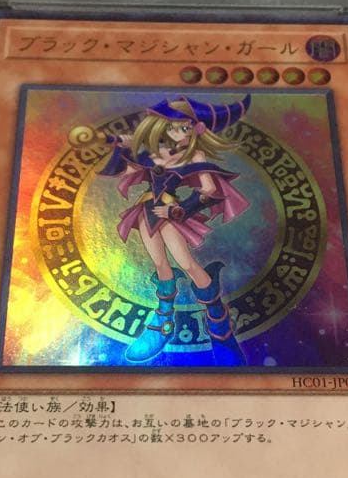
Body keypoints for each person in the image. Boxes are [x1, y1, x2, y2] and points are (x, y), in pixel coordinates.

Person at [97, 94, 251, 365]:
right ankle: (163, 321)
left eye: (184, 127)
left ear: (195, 129)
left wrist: (178, 211)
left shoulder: (195, 155)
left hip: (169, 213)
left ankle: (219, 323)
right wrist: (120, 146)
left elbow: (210, 190)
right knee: (160, 264)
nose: (177, 132)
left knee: (187, 264)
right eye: (172, 126)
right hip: (145, 211)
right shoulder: (154, 152)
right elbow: (125, 171)